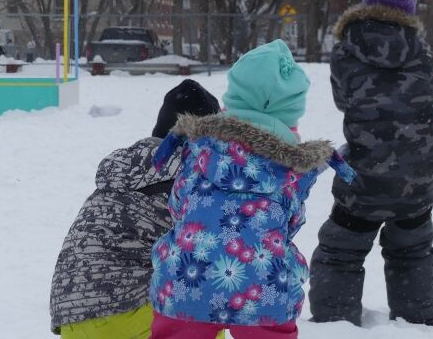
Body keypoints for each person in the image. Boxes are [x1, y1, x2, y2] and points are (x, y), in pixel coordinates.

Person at [147, 40, 354, 339]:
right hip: (265, 286)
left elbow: (179, 205)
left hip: (186, 280)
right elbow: (290, 222)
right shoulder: (290, 168)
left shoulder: (199, 149)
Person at [308, 0, 433, 326]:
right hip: (419, 174)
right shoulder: (422, 51)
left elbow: (343, 100)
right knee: (412, 249)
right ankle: (417, 317)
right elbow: (419, 95)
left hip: (366, 175)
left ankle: (336, 318)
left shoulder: (344, 52)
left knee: (340, 250)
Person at [49, 79, 221, 339]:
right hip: (124, 311)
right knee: (206, 320)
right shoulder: (188, 177)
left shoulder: (127, 170)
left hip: (73, 319)